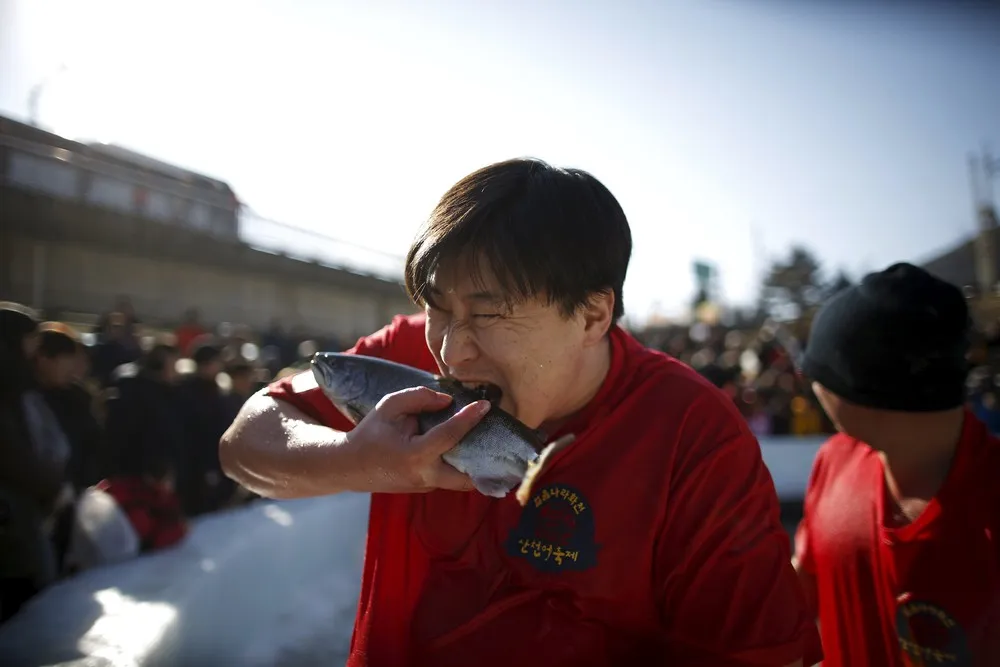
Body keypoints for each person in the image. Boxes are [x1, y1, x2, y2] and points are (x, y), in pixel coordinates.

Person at [221, 158, 821, 666]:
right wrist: (357, 461)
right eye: (438, 308)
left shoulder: (691, 430)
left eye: (490, 314)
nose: (452, 350)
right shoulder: (406, 355)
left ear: (592, 315)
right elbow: (248, 439)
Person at [793, 262, 1000, 666]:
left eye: (819, 376)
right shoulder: (834, 461)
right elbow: (796, 589)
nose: (813, 387)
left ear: (861, 394)